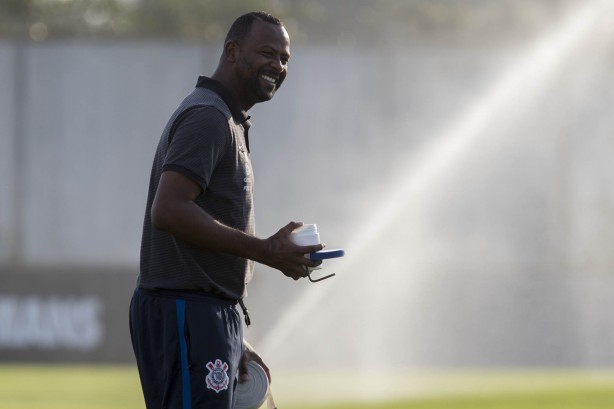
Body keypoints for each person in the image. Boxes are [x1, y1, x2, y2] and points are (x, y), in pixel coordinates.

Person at [129, 11, 323, 409]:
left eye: (285, 59)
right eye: (267, 52)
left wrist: (232, 333)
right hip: (188, 312)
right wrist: (266, 250)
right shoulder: (209, 117)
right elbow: (167, 209)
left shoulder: (227, 118)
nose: (278, 65)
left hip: (206, 312)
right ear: (232, 51)